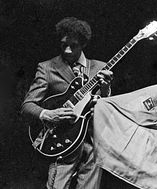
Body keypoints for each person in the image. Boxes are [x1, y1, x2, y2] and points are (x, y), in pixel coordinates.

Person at [21, 17, 113, 189]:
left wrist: (106, 88)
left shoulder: (100, 67)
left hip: (92, 143)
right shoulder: (47, 68)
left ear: (83, 44)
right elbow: (27, 106)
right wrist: (48, 114)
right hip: (63, 141)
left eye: (74, 45)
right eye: (64, 45)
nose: (68, 50)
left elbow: (106, 107)